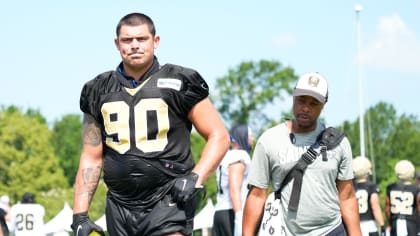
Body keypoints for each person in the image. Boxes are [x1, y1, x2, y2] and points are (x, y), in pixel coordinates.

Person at [70, 12, 230, 236]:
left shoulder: (180, 81)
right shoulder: (97, 90)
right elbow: (91, 156)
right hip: (119, 205)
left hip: (168, 200)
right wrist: (80, 215)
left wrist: (196, 177)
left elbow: (219, 135)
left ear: (156, 41)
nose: (135, 45)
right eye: (127, 40)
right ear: (117, 44)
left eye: (142, 39)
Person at [243, 72, 362, 236]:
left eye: (314, 103)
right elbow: (256, 195)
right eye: (301, 100)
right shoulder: (269, 140)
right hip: (286, 231)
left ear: (324, 104)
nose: (306, 108)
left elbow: (347, 197)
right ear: (293, 96)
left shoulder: (339, 143)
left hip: (331, 230)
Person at [213, 124, 254, 236]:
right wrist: (239, 216)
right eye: (250, 135)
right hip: (232, 212)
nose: (252, 139)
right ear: (243, 136)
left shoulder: (226, 155)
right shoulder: (240, 155)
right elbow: (234, 188)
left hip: (220, 212)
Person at [385, 160, 420, 236]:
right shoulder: (416, 189)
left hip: (395, 223)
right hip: (411, 224)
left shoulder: (391, 188)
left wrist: (390, 221)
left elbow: (387, 209)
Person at [352, 156, 385, 236]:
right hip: (369, 225)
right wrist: (382, 224)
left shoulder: (349, 186)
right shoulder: (371, 186)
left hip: (353, 225)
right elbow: (375, 207)